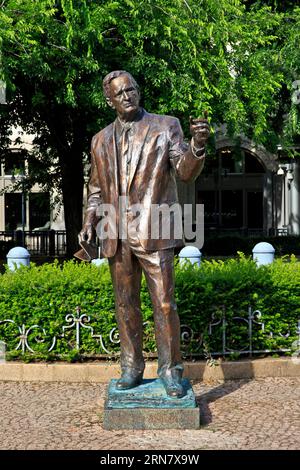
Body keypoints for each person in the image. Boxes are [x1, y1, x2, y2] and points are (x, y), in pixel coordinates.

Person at [78, 70, 209, 398]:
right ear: (110, 100)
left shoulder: (166, 126)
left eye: (132, 89)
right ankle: (132, 368)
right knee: (125, 305)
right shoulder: (99, 140)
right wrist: (87, 223)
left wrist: (197, 146)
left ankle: (170, 370)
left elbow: (184, 172)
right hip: (115, 235)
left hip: (154, 230)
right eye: (119, 93)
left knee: (164, 305)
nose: (127, 96)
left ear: (139, 91)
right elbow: (95, 189)